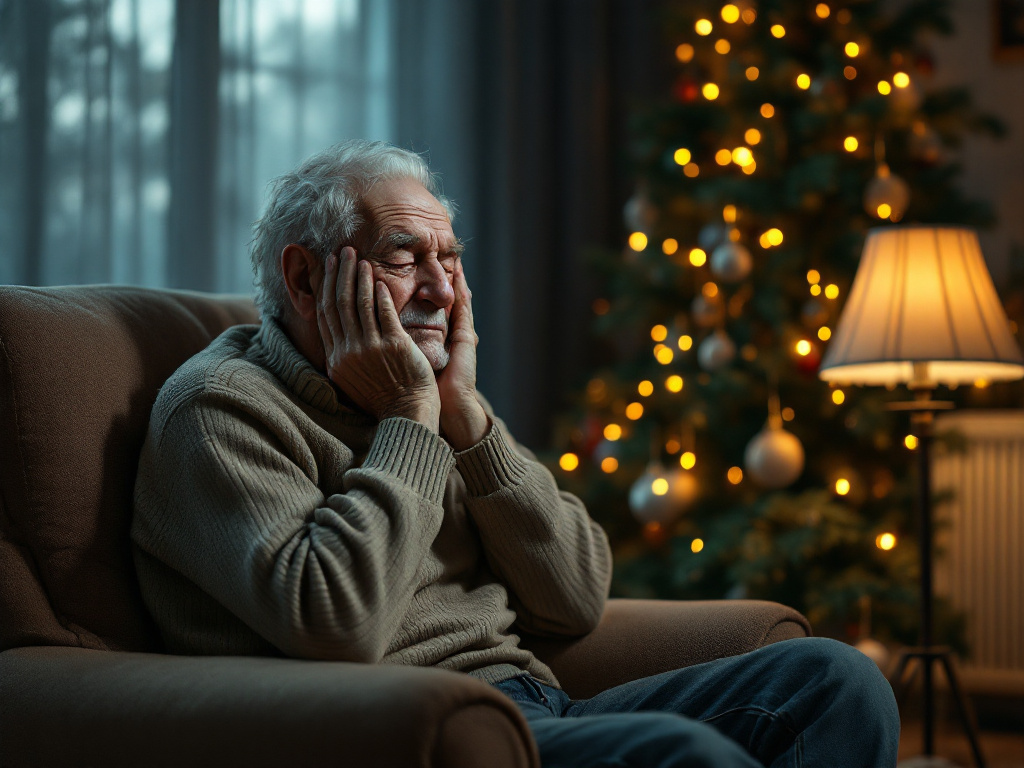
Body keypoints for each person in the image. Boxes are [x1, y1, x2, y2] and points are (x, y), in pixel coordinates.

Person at [131, 139, 900, 767]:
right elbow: (339, 625)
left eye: (451, 257)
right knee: (682, 756)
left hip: (533, 708)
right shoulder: (220, 408)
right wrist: (411, 419)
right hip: (405, 736)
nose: (442, 289)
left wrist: (468, 424)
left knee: (837, 681)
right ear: (305, 277)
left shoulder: (438, 402)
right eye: (405, 257)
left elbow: (576, 596)